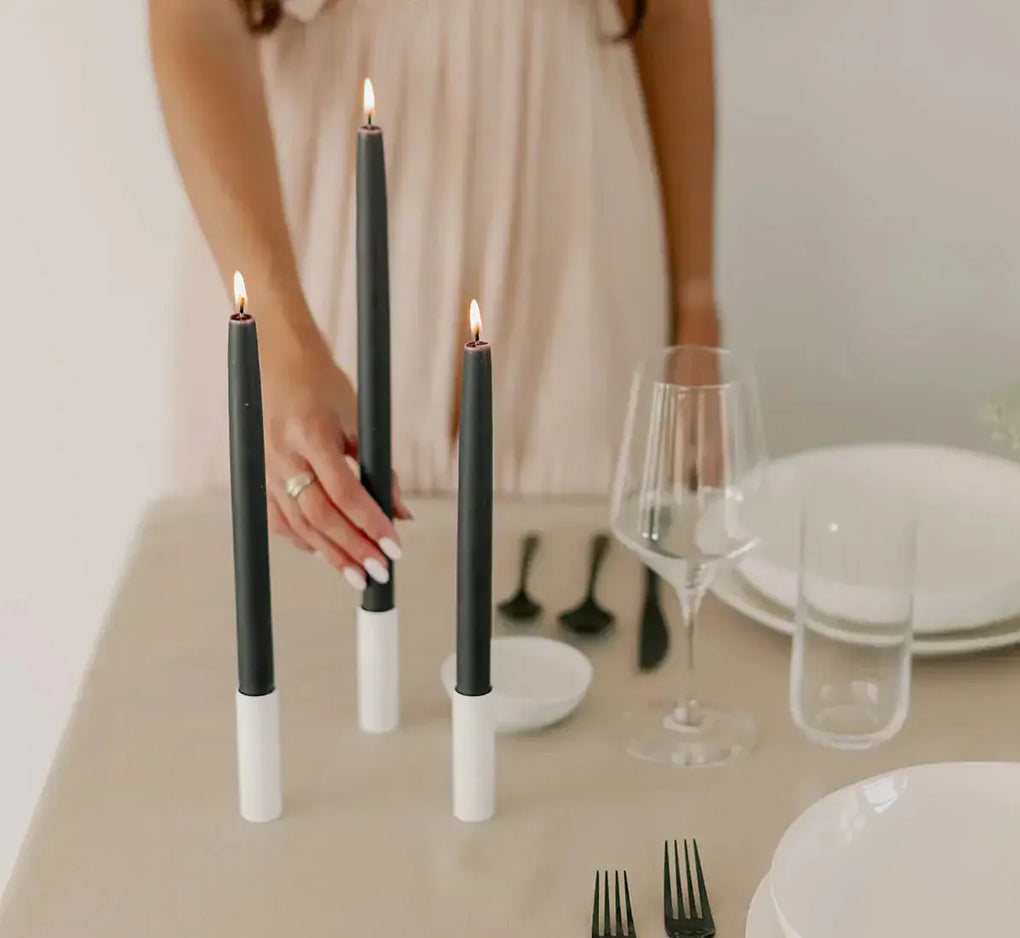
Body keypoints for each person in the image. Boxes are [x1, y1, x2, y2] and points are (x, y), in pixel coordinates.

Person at [149, 0, 719, 589]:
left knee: (580, 594)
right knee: (304, 599)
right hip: (313, 270)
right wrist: (278, 338)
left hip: (574, 266)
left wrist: (696, 307)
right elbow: (191, 16)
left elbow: (675, 15)